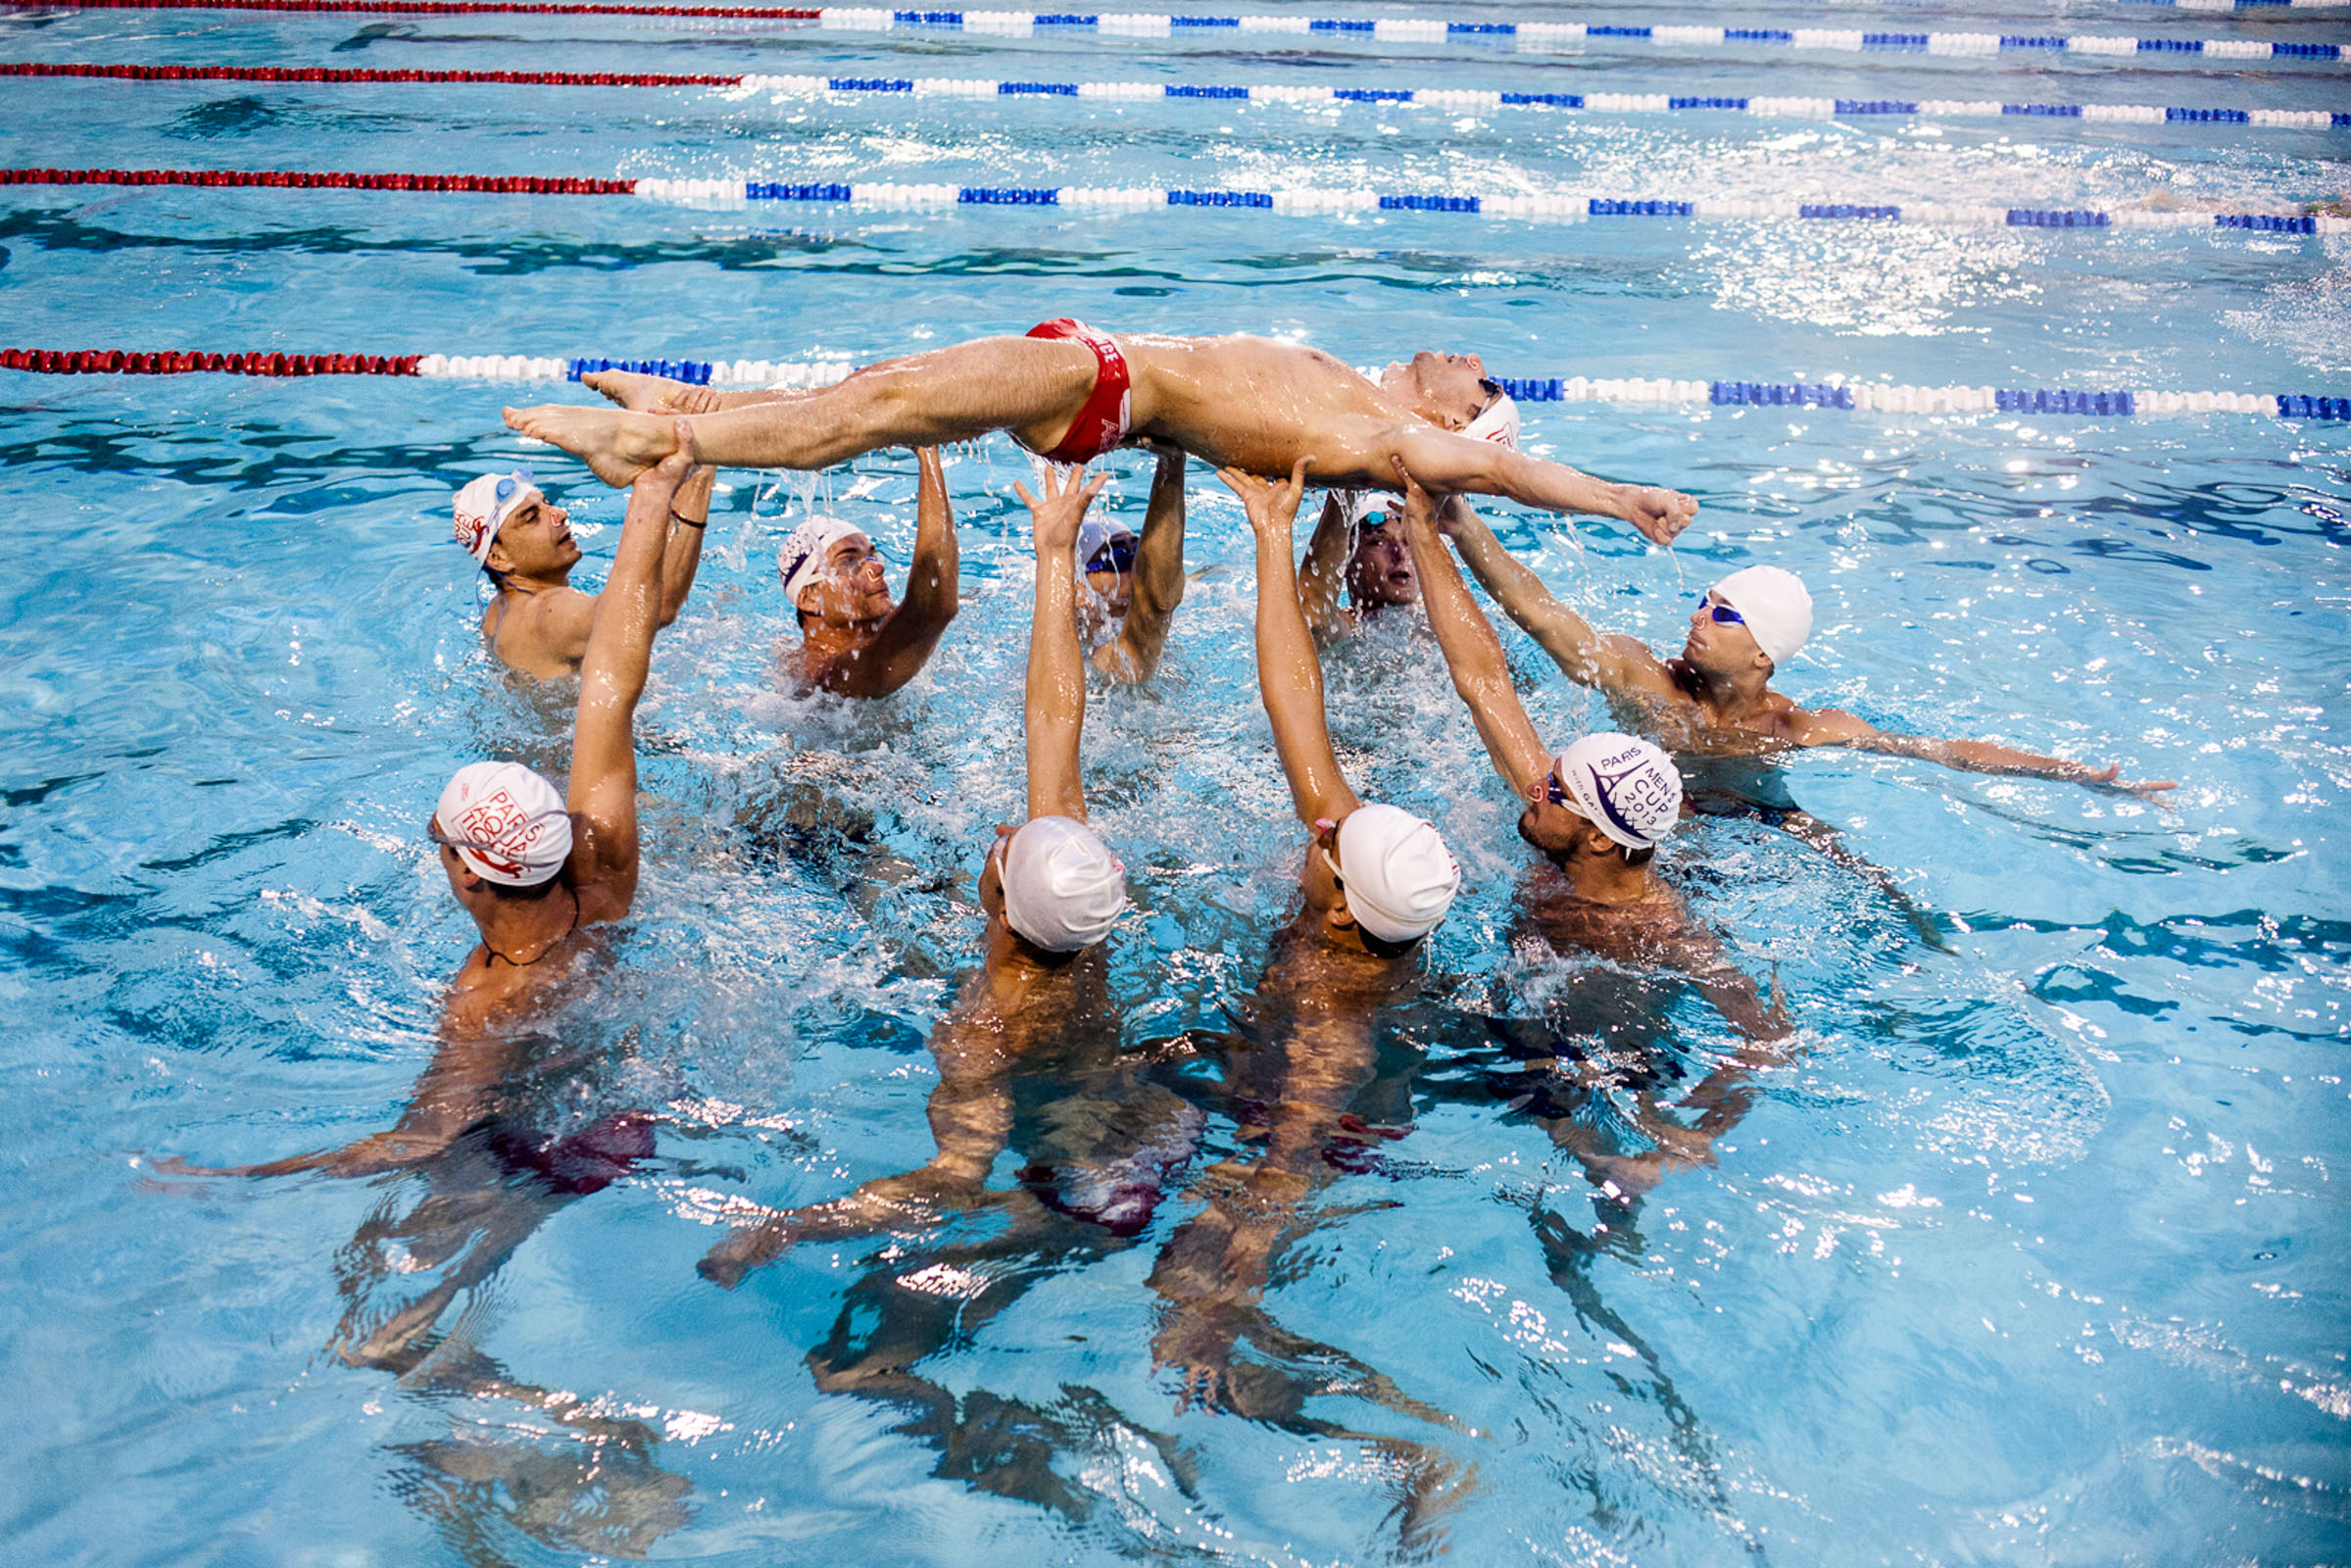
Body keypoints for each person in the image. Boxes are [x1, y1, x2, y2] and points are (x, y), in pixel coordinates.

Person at [156, 434, 709, 1551]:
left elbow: (422, 1135)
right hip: (634, 1111)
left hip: (542, 1139)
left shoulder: (484, 1004)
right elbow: (616, 686)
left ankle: (585, 1432)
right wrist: (658, 487)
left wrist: (245, 1174)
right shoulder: (605, 877)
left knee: (371, 1331)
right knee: (399, 1284)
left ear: (463, 871)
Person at [698, 463, 1133, 1287]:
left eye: (1006, 849)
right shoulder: (1087, 930)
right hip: (1138, 1138)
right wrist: (1052, 555)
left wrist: (787, 1228)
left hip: (1070, 1199)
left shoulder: (982, 1030)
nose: (1007, 830)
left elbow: (949, 1181)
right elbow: (1055, 722)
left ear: (1000, 904)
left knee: (864, 1351)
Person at [1142, 457, 1463, 1419]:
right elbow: (1293, 697)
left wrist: (1225, 1291)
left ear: (1338, 909)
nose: (1320, 831)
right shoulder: (1376, 911)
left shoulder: (1331, 1015)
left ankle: (1395, 1428)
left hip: (1327, 1128)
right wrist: (1276, 534)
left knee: (1179, 1304)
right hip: (1318, 1083)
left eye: (1332, 850)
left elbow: (1282, 1173)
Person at [502, 327, 1698, 546]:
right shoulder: (1359, 394)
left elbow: (1498, 467)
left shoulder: (1403, 440)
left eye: (1476, 376)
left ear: (1455, 413)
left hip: (1102, 388)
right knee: (882, 388)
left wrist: (1617, 493)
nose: (1462, 350)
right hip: (1098, 378)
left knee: (867, 413)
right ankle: (700, 422)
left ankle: (663, 451)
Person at [1434, 504, 2177, 795]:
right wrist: (1457, 522)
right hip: (1648, 822)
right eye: (1703, 600)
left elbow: (1944, 751)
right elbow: (1536, 612)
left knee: (1864, 878)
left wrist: (2074, 775)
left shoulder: (1795, 730)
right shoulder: (1643, 676)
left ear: (1764, 656)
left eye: (1724, 614)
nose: (1699, 614)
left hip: (1760, 818)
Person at [453, 461, 710, 681]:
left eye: (547, 503)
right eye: (532, 517)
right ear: (498, 557)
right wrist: (701, 471)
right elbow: (655, 607)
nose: (560, 514)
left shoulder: (497, 612)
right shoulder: (548, 615)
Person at [773, 447, 959, 697]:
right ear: (809, 598)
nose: (876, 567)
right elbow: (932, 610)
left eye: (872, 555)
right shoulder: (827, 676)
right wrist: (928, 452)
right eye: (848, 562)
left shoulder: (861, 635)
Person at [1078, 442, 1190, 683]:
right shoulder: (1090, 661)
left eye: (1137, 553)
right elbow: (1158, 603)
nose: (1134, 567)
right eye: (1116, 557)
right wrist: (1173, 462)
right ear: (1080, 586)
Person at [1298, 490, 1419, 641]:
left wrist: (1458, 535)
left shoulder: (1441, 618)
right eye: (1377, 542)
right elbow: (1314, 610)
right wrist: (1344, 490)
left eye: (1408, 542)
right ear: (1346, 560)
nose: (1400, 554)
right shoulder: (1344, 629)